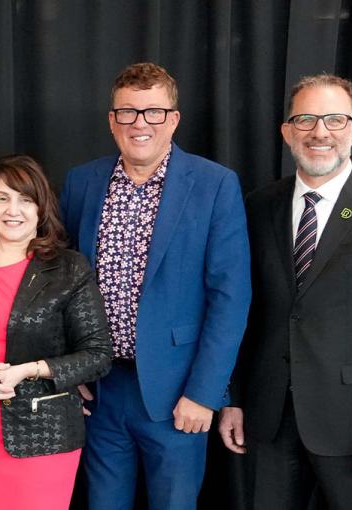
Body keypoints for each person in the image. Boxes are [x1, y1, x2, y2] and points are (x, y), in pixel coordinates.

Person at [218, 74, 352, 509]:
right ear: (286, 132)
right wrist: (235, 399)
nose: (320, 132)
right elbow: (244, 311)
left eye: (335, 120)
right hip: (270, 417)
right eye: (306, 120)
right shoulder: (258, 206)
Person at [58, 62, 251, 510]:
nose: (140, 123)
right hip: (102, 391)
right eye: (127, 112)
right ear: (112, 121)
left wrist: (204, 394)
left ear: (174, 119)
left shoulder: (214, 185)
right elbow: (59, 284)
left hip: (177, 395)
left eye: (153, 112)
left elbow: (231, 297)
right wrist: (70, 370)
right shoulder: (82, 182)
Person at [0, 154, 112, 509]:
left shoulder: (68, 269)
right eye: (2, 198)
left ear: (41, 208)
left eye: (25, 199)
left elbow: (97, 355)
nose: (12, 209)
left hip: (43, 436)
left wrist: (29, 370)